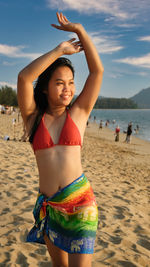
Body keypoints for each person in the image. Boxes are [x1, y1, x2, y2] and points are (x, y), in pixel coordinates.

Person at [17, 12, 104, 267]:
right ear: (45, 88)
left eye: (70, 83)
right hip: (50, 207)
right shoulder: (33, 118)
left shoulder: (78, 113)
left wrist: (80, 31)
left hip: (81, 205)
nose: (67, 88)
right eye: (59, 83)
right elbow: (24, 78)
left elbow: (97, 71)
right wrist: (59, 50)